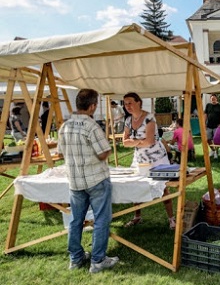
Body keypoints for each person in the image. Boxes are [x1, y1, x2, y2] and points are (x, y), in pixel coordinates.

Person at [57, 89, 119, 273]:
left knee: (76, 220)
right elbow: (103, 153)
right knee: (101, 220)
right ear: (92, 106)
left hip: (75, 181)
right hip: (96, 180)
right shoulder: (91, 126)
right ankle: (98, 260)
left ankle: (75, 259)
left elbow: (60, 153)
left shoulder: (65, 126)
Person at [122, 92, 175, 229]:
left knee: (163, 188)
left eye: (130, 103)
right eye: (125, 103)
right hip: (139, 159)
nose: (127, 106)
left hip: (157, 158)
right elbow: (124, 142)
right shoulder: (128, 120)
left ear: (138, 102)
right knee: (135, 186)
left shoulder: (149, 118)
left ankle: (171, 219)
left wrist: (133, 141)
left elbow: (150, 141)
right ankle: (137, 216)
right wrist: (140, 141)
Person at [204, 94, 220, 158]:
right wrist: (204, 123)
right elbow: (205, 114)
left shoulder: (219, 106)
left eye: (214, 98)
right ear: (210, 99)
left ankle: (216, 153)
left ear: (216, 99)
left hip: (217, 126)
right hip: (209, 125)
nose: (213, 99)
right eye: (212, 99)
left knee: (216, 139)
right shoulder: (208, 105)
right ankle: (213, 150)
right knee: (208, 139)